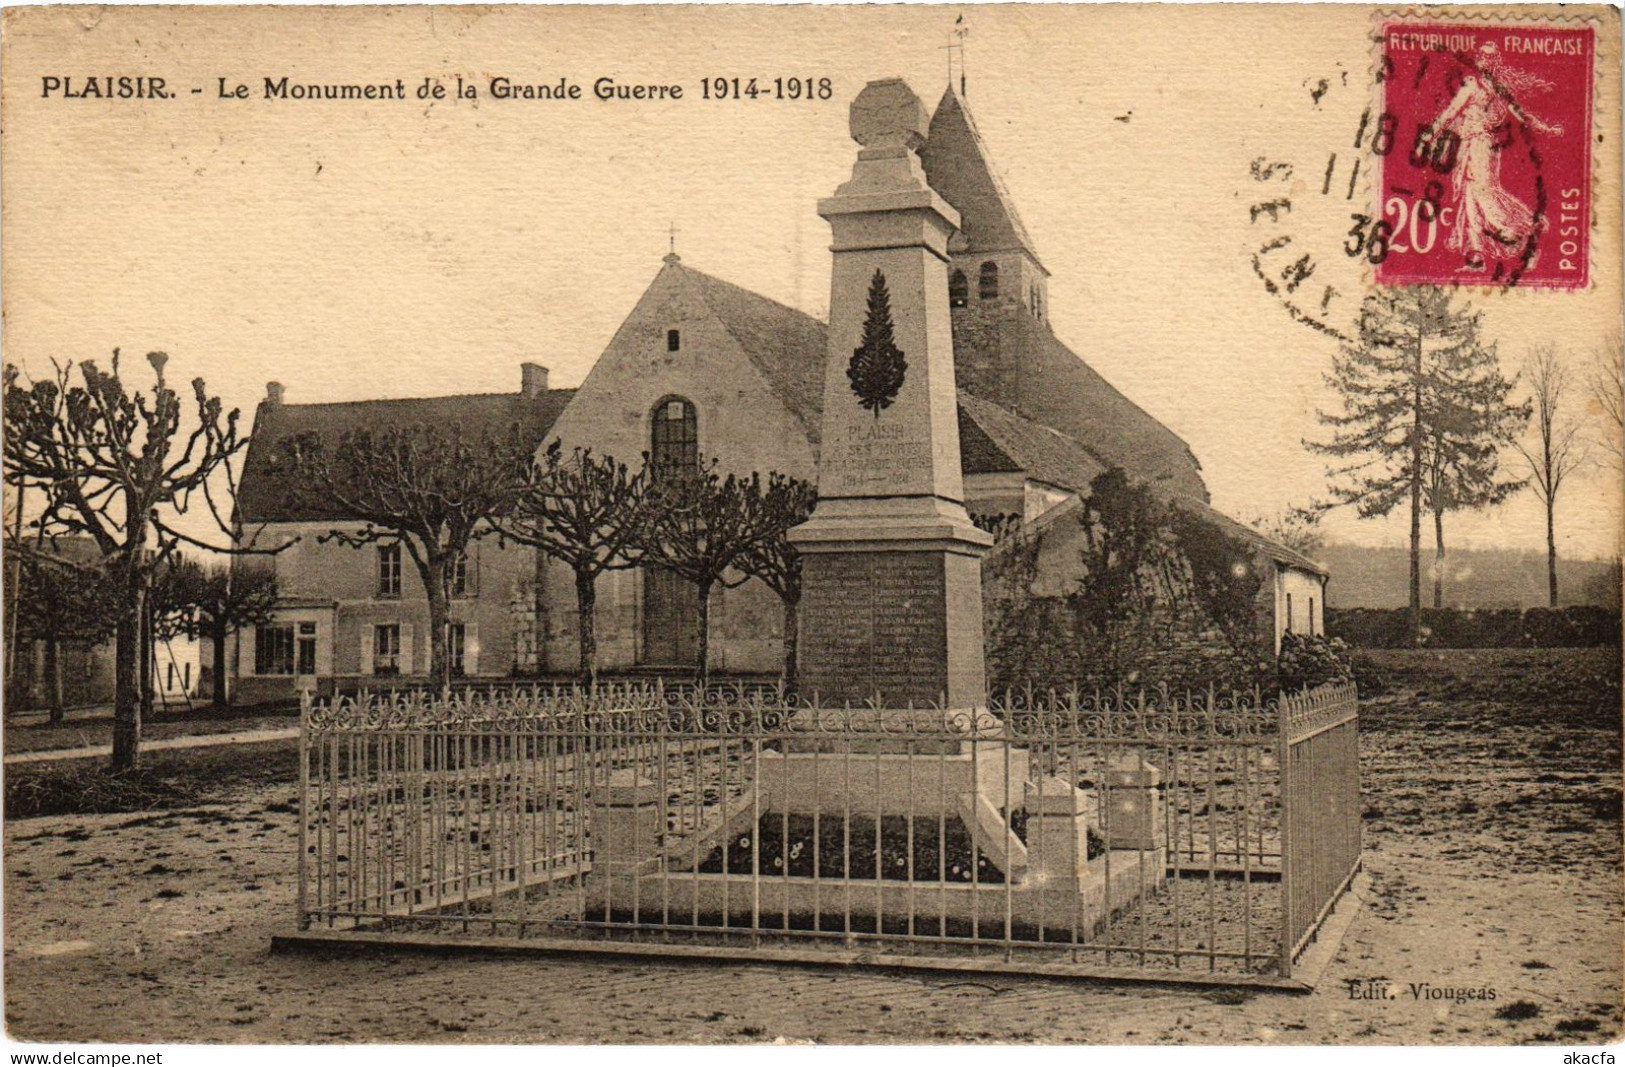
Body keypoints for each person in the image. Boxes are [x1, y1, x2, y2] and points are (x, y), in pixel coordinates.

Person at [1431, 42, 1564, 271]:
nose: (1485, 61)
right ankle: (1476, 256)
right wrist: (1547, 129)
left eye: (1489, 58)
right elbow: (1452, 113)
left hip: (1479, 146)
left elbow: (1452, 112)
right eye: (1483, 56)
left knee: (1482, 192)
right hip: (1477, 146)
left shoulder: (1481, 87)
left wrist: (1431, 135)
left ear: (1492, 63)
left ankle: (1517, 233)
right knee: (1469, 194)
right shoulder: (1487, 87)